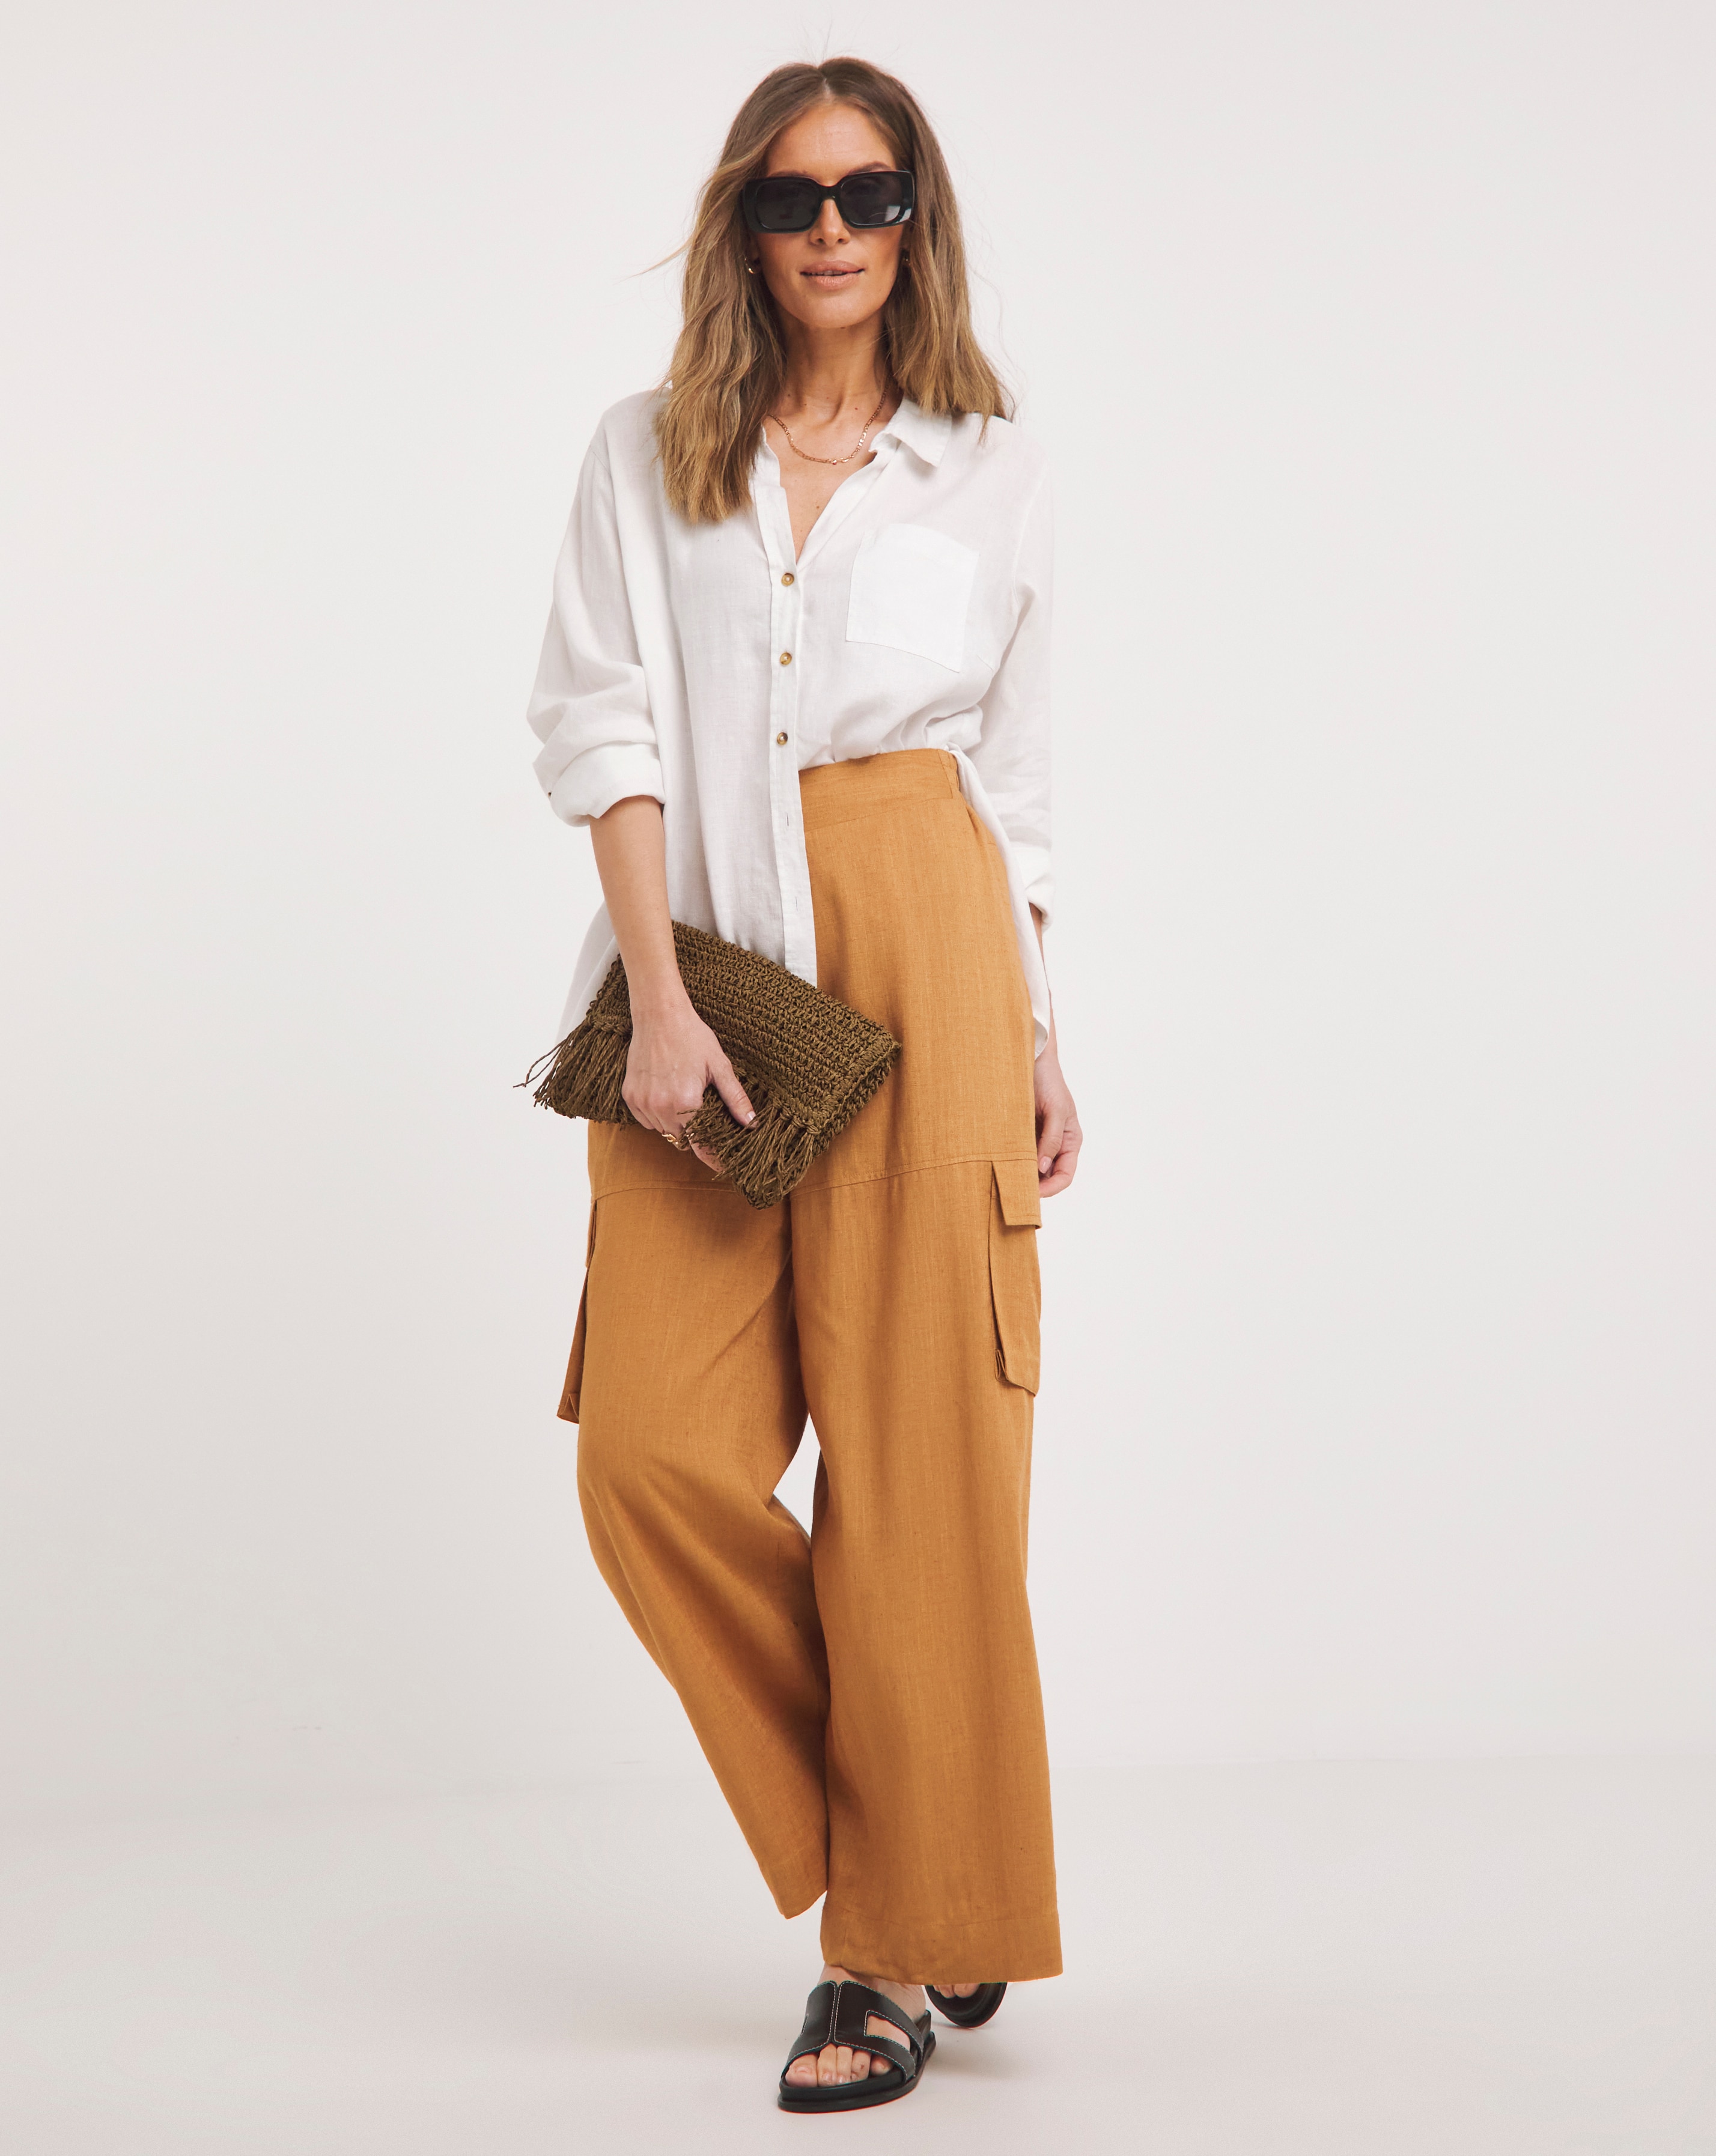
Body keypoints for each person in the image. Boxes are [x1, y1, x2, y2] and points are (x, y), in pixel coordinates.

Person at [526, 55, 1082, 2113]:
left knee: (924, 1467)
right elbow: (601, 731)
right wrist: (661, 999)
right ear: (743, 229)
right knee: (649, 1457)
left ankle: (880, 1957)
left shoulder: (989, 468)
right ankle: (920, 1847)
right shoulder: (645, 450)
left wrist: (1041, 1030)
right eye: (791, 196)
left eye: (869, 192)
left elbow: (1011, 784)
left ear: (915, 221)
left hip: (935, 942)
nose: (832, 227)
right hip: (715, 966)